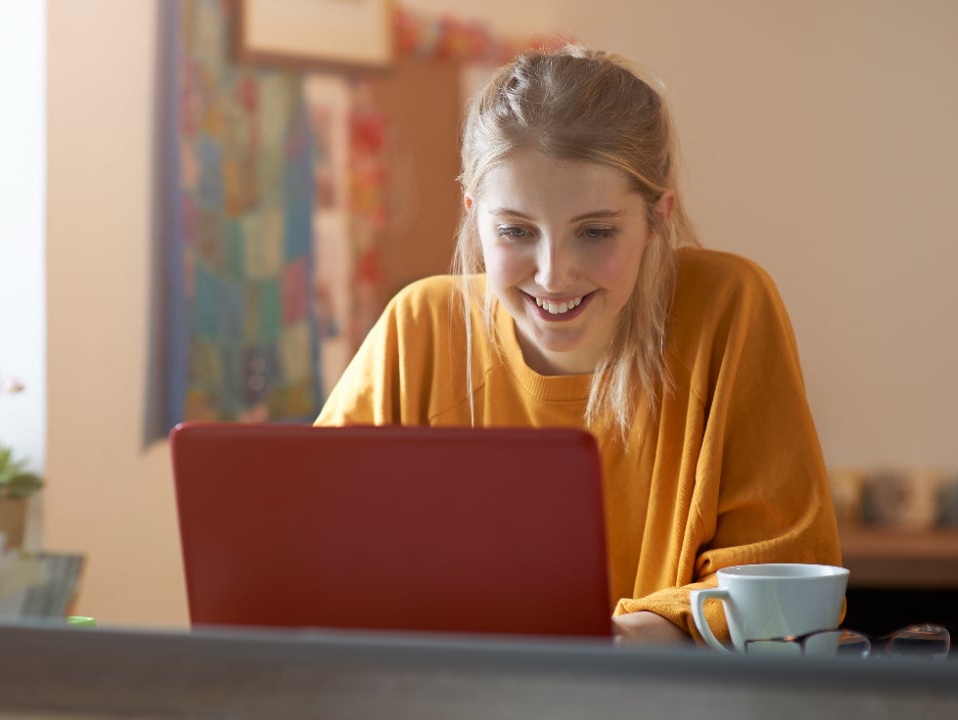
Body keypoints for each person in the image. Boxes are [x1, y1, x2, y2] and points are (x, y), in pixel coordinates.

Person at [314, 44, 842, 645]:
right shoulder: (418, 329)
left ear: (657, 218)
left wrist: (617, 641)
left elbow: (785, 582)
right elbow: (311, 556)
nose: (553, 274)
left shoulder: (730, 308)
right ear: (474, 216)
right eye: (515, 231)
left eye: (594, 232)